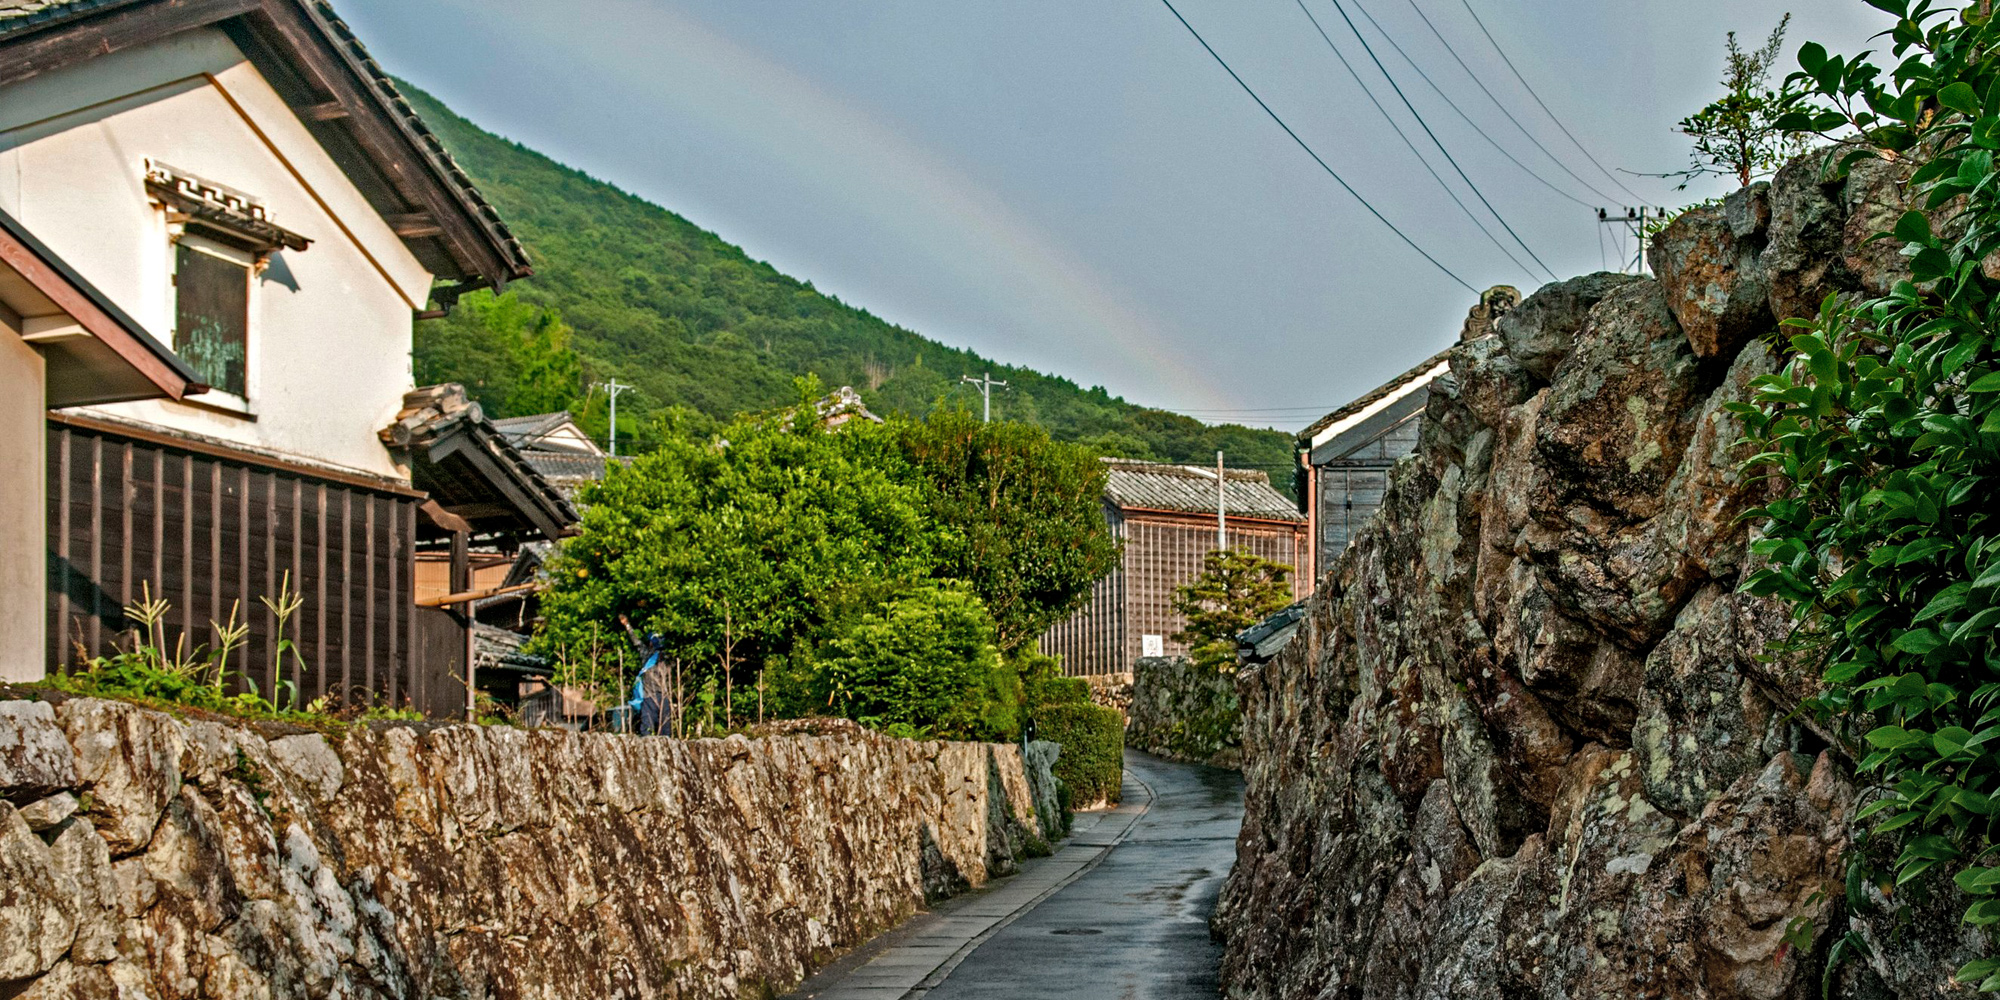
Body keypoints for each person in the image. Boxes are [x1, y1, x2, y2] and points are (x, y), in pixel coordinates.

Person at [620, 616, 671, 736]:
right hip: (649, 696)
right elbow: (636, 641)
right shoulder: (647, 655)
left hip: (664, 696)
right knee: (647, 729)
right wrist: (627, 626)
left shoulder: (668, 656)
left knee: (666, 730)